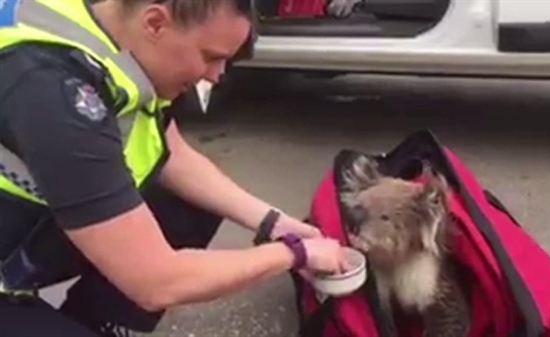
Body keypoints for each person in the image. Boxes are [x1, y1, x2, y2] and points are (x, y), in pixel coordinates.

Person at [0, 0, 350, 336]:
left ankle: (96, 323)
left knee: (190, 204)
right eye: (210, 57)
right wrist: (293, 253)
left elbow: (171, 152)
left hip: (22, 232)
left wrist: (275, 223)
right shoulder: (55, 93)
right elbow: (157, 281)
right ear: (155, 23)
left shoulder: (106, 28)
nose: (216, 76)